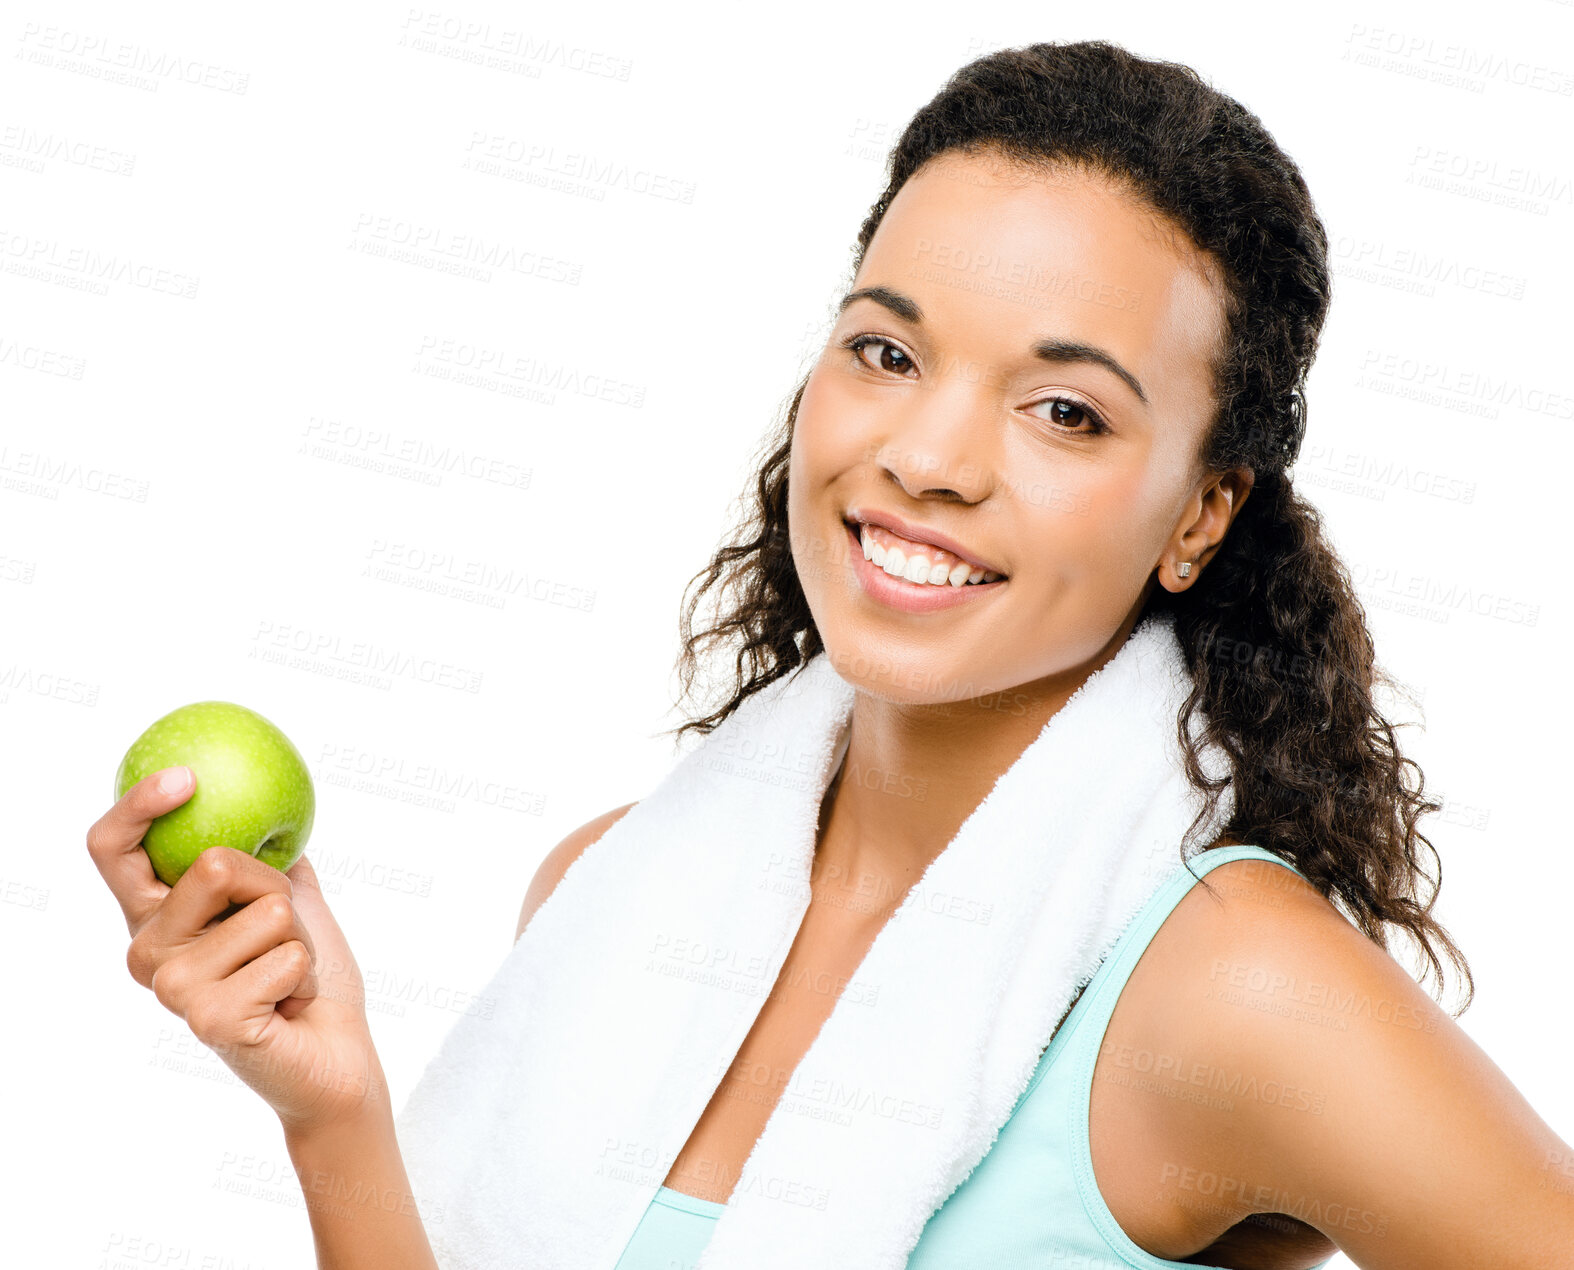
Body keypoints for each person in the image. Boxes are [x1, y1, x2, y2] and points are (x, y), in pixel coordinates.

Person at [88, 39, 1574, 1270]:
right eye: (886, 349)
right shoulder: (605, 885)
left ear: (1198, 512)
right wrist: (330, 1109)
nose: (924, 454)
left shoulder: (1229, 991)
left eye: (1063, 410)